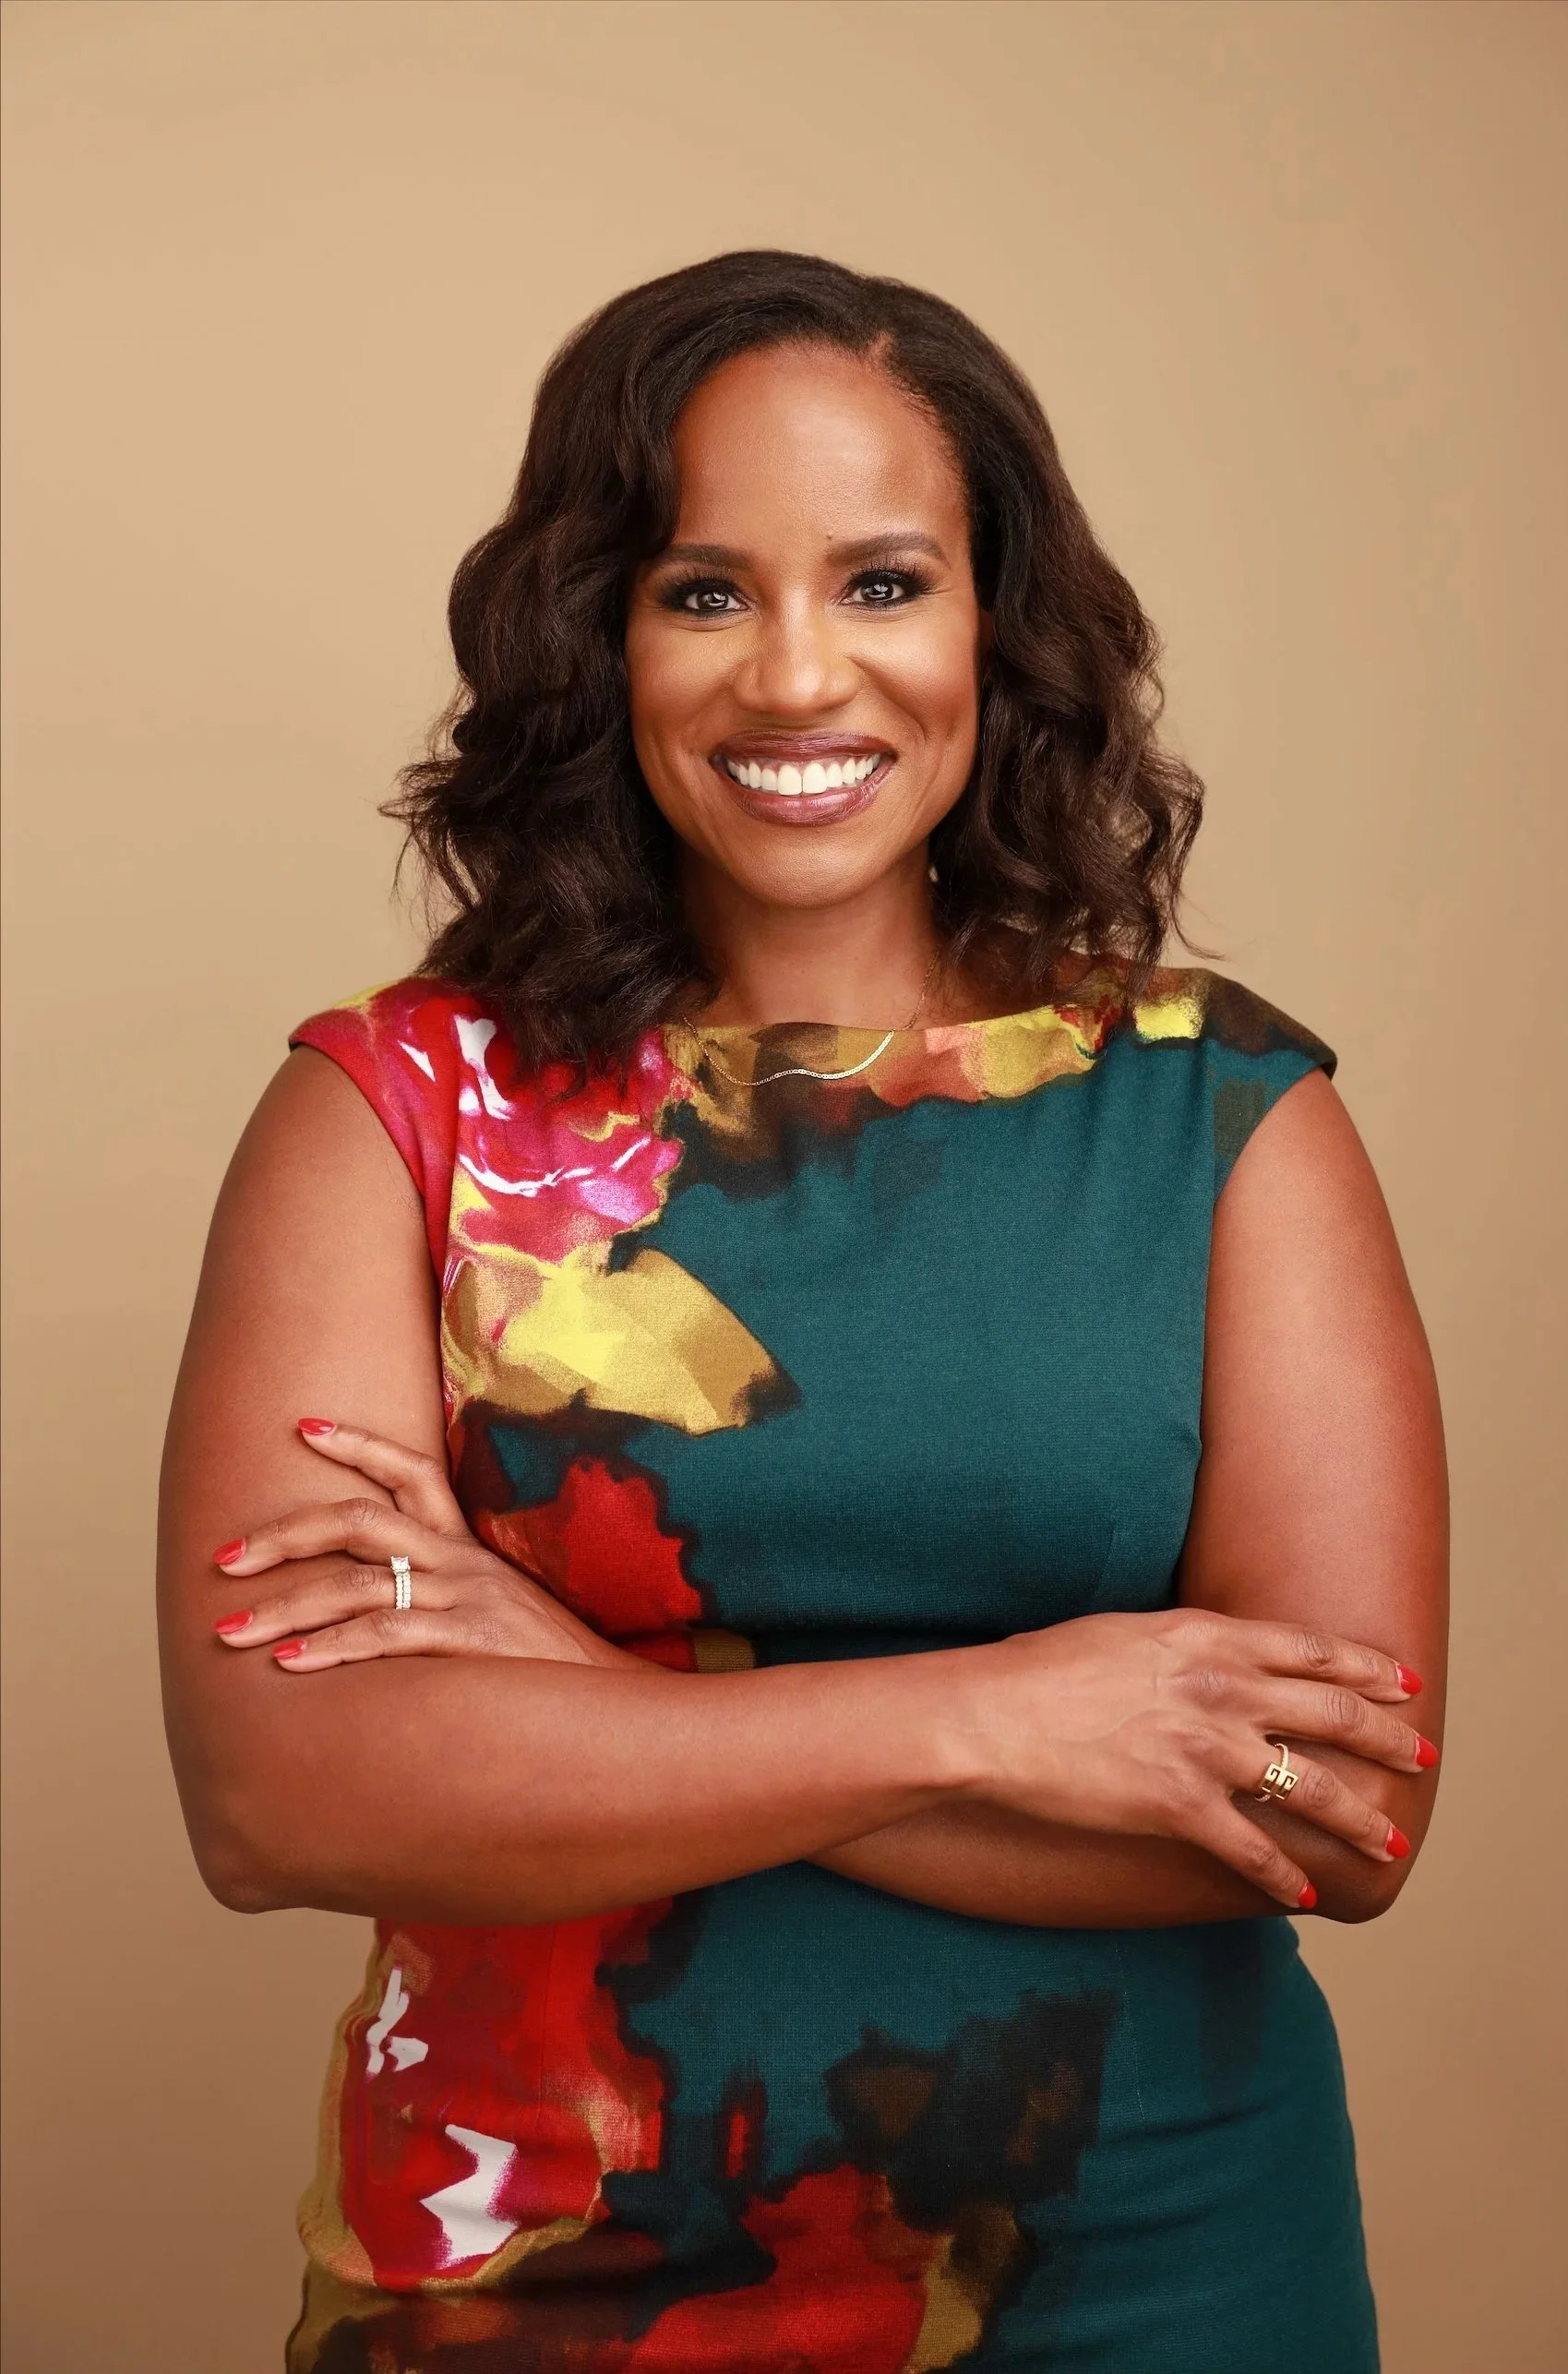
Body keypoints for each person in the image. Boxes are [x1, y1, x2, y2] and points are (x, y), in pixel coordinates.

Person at [158, 250, 1446, 2372]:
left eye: (882, 583)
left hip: (1159, 2274)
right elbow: (282, 1796)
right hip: (533, 2280)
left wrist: (583, 1696)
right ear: (597, 633)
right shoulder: (391, 1111)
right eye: (703, 589)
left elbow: (1333, 1809)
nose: (795, 675)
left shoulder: (1228, 1117)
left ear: (994, 627)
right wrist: (1010, 1716)